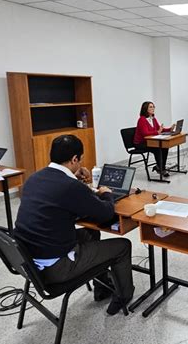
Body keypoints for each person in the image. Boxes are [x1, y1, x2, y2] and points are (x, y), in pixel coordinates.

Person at [14, 135, 134, 316]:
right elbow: (105, 213)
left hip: (29, 259)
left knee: (90, 234)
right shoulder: (70, 186)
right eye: (80, 159)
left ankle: (102, 288)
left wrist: (75, 179)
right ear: (75, 159)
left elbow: (58, 199)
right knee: (123, 246)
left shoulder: (34, 178)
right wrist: (107, 194)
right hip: (56, 268)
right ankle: (124, 296)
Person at [133, 101, 175, 177]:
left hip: (149, 141)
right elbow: (145, 133)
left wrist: (169, 129)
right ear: (145, 109)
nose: (153, 108)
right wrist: (157, 132)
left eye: (153, 107)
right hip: (140, 143)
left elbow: (159, 129)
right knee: (157, 148)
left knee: (165, 146)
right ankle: (161, 168)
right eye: (150, 107)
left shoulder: (153, 118)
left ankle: (161, 167)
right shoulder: (142, 120)